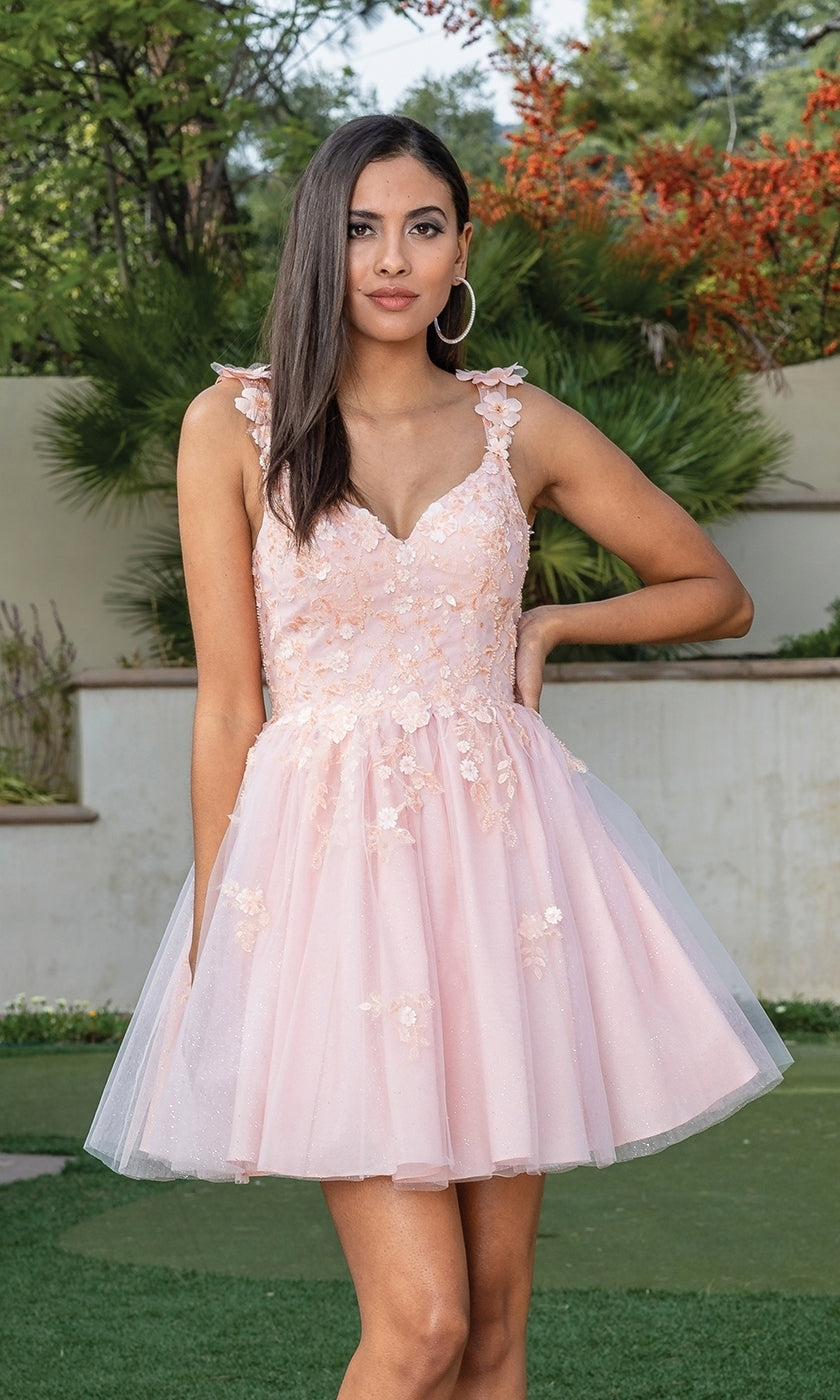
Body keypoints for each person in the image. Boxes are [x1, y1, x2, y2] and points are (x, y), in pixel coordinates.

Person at [86, 115, 791, 1399]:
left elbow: (715, 589)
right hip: (328, 893)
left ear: (464, 246)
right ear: (319, 245)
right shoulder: (234, 425)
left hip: (501, 884)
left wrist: (555, 618)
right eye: (361, 228)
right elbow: (229, 704)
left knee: (495, 1331)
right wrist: (217, 957)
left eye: (422, 226)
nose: (392, 258)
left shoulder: (519, 425)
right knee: (418, 1325)